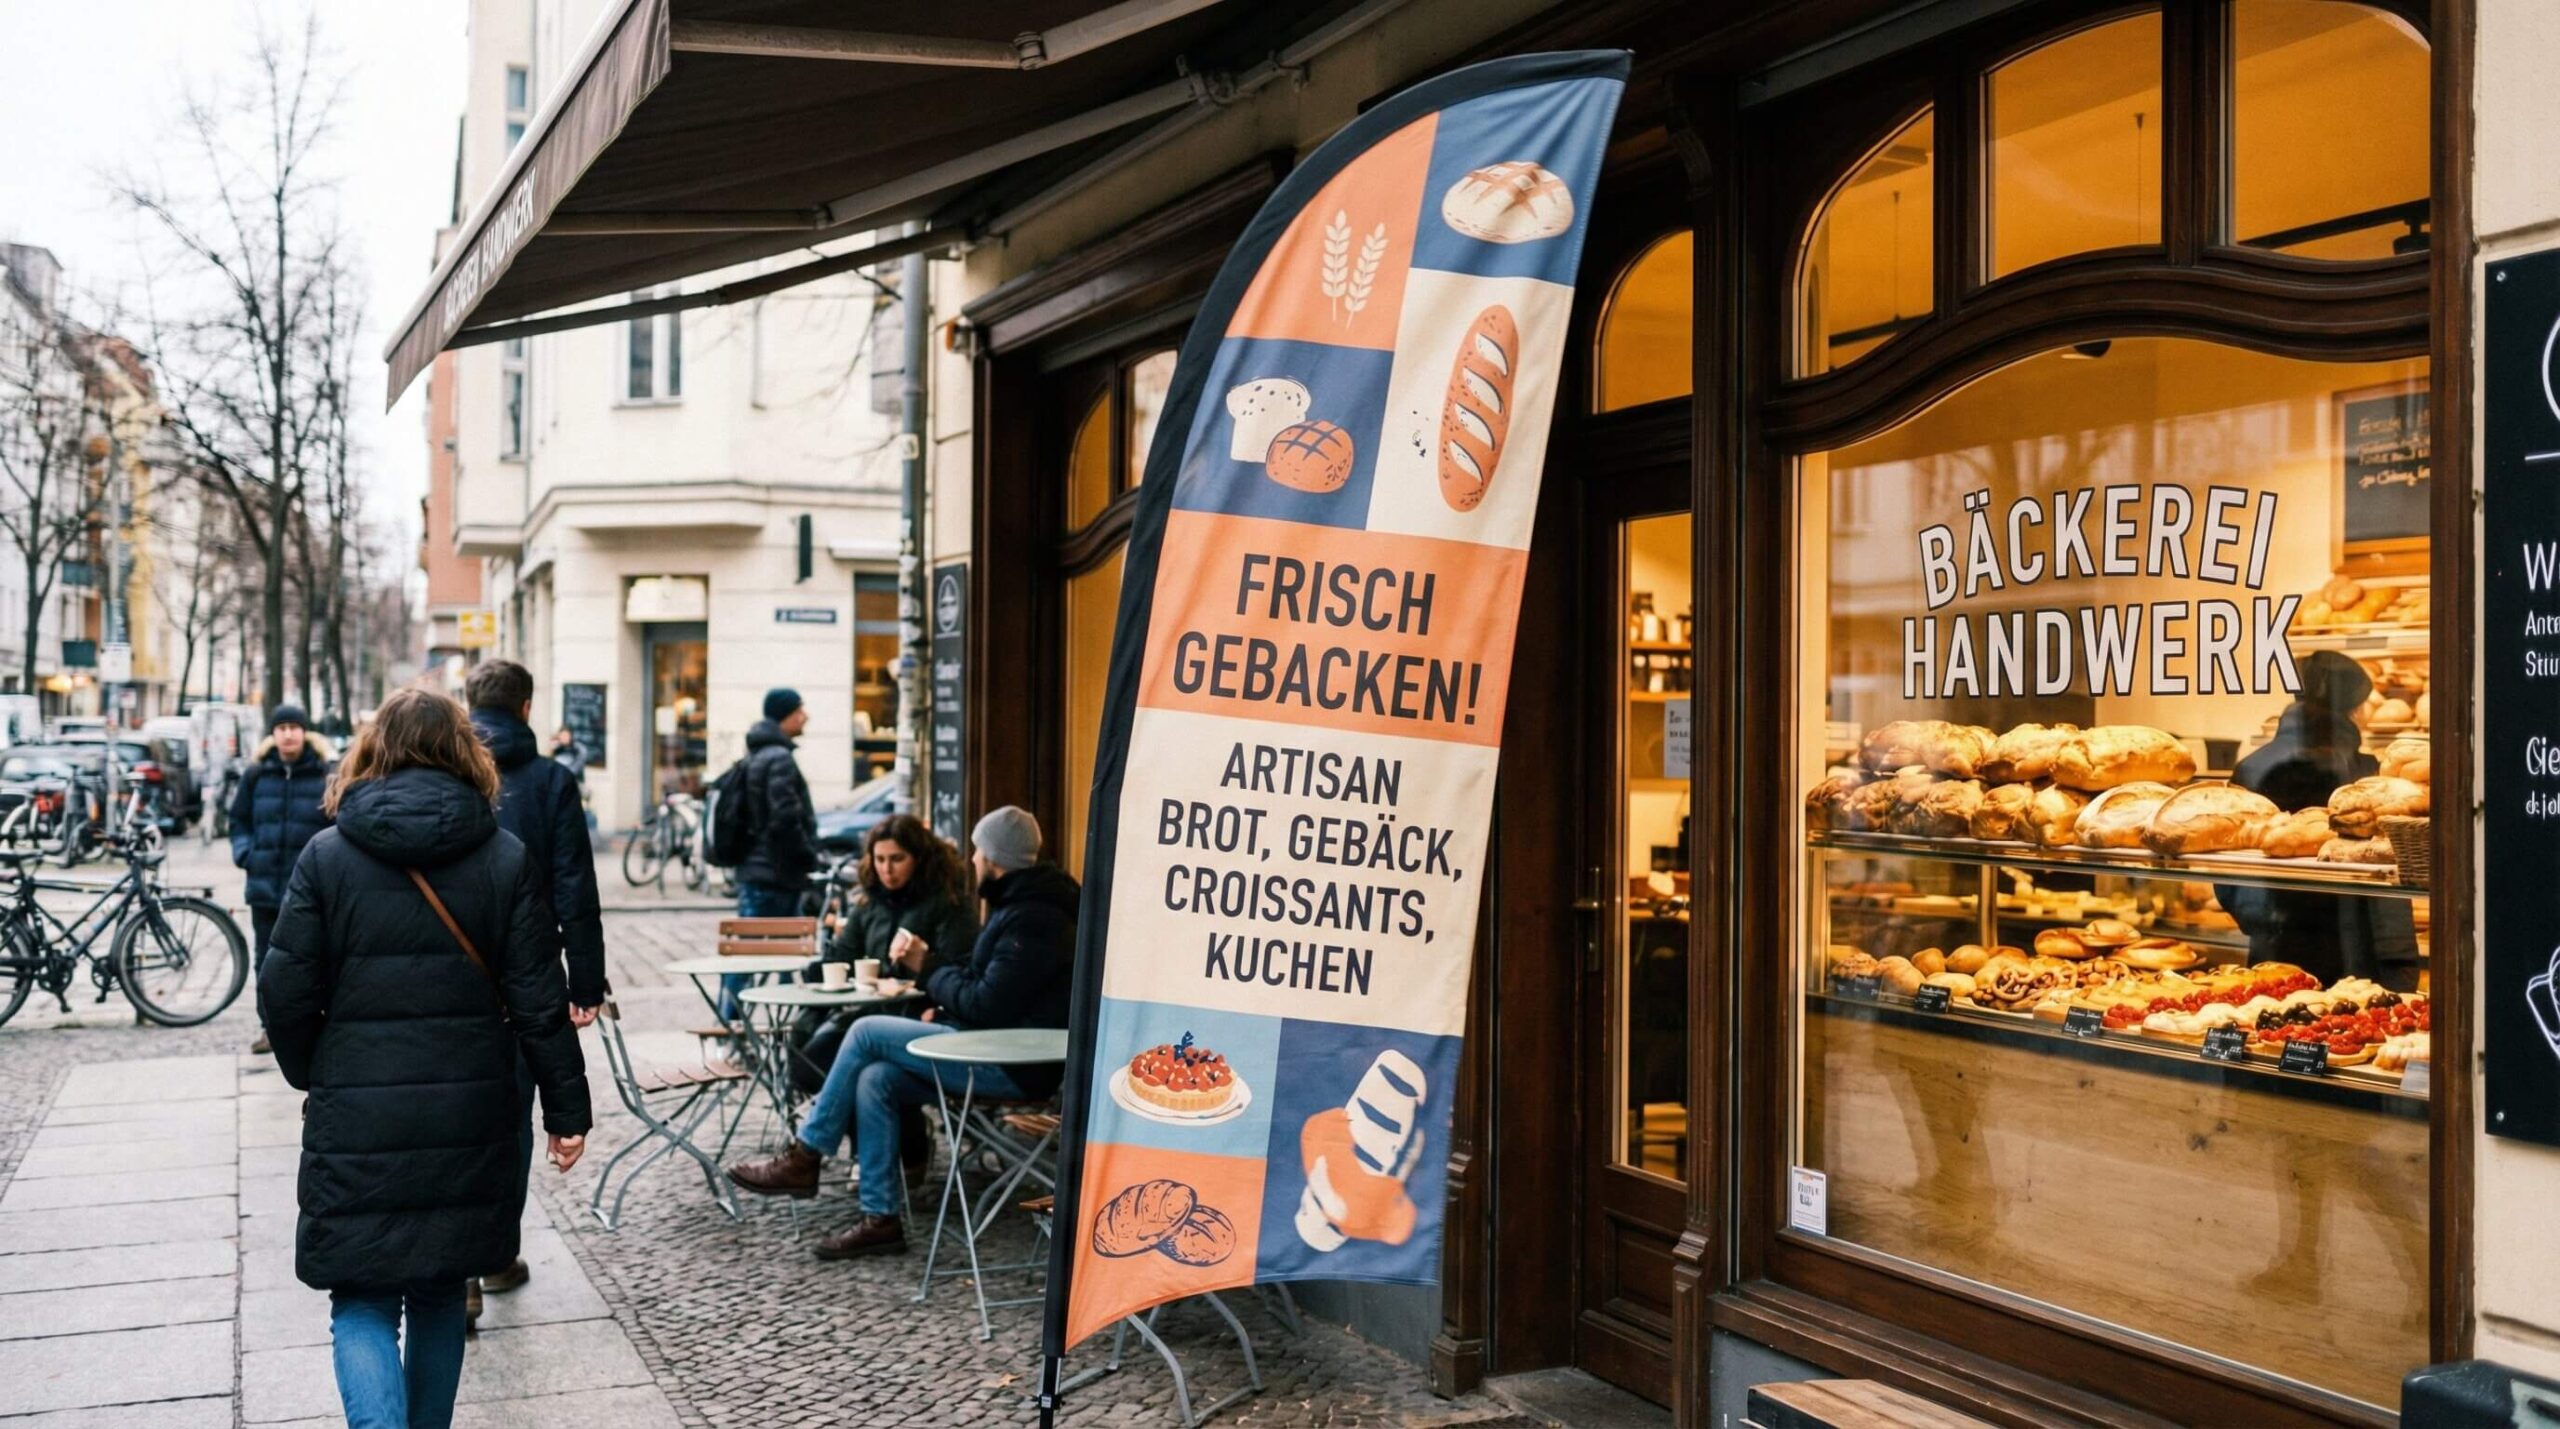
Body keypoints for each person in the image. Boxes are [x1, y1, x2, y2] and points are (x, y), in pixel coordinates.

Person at [255, 688, 591, 1429]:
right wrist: (569, 1112)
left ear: (373, 751)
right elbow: (541, 999)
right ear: (466, 754)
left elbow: (281, 991)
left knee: (363, 1295)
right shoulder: (504, 858)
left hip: (358, 1107)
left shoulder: (327, 856)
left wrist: (316, 1068)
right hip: (469, 1108)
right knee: (440, 1287)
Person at [729, 805, 1077, 1259]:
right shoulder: (1020, 905)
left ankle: (806, 1154)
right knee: (876, 1078)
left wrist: (927, 968)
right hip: (988, 1045)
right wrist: (938, 991)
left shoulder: (1033, 915)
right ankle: (881, 1219)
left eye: (977, 851)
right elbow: (983, 988)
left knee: (866, 1030)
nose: (972, 860)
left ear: (993, 857)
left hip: (1013, 1064)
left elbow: (988, 1004)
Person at [465, 660, 608, 1314]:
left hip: (453, 966)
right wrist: (585, 982)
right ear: (526, 708)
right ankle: (494, 1250)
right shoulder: (552, 780)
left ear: (472, 706)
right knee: (515, 1111)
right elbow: (576, 888)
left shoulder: (449, 766)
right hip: (528, 965)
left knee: (457, 1108)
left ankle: (457, 1265)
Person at [2224, 650, 2420, 984]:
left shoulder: (2252, 767)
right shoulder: (2366, 777)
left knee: (2271, 1029)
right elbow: (2390, 875)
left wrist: (2264, 923)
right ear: (2353, 709)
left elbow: (2228, 875)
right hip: (2355, 957)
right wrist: (2398, 960)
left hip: (2274, 951)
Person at [788, 815, 978, 1096]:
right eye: (879, 859)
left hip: (922, 1015)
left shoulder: (946, 902)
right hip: (870, 1012)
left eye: (897, 859)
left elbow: (960, 969)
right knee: (807, 1060)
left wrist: (921, 963)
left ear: (919, 859)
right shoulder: (869, 902)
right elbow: (843, 955)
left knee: (843, 1066)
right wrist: (820, 972)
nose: (886, 870)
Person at [231, 704, 334, 1056]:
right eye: (282, 727)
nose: (288, 733)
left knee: (313, 959)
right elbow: (239, 821)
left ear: (306, 732)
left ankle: (315, 1025)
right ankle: (271, 1029)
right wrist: (246, 854)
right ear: (272, 734)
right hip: (265, 888)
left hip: (310, 892)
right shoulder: (257, 775)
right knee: (267, 963)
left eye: (294, 726)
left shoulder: (324, 775)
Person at [722, 688, 820, 1018]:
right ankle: (735, 1029)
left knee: (757, 955)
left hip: (760, 872)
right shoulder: (778, 758)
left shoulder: (758, 755)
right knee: (771, 956)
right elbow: (785, 820)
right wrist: (809, 857)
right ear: (785, 715)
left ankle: (739, 1029)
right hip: (775, 875)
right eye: (800, 710)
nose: (805, 716)